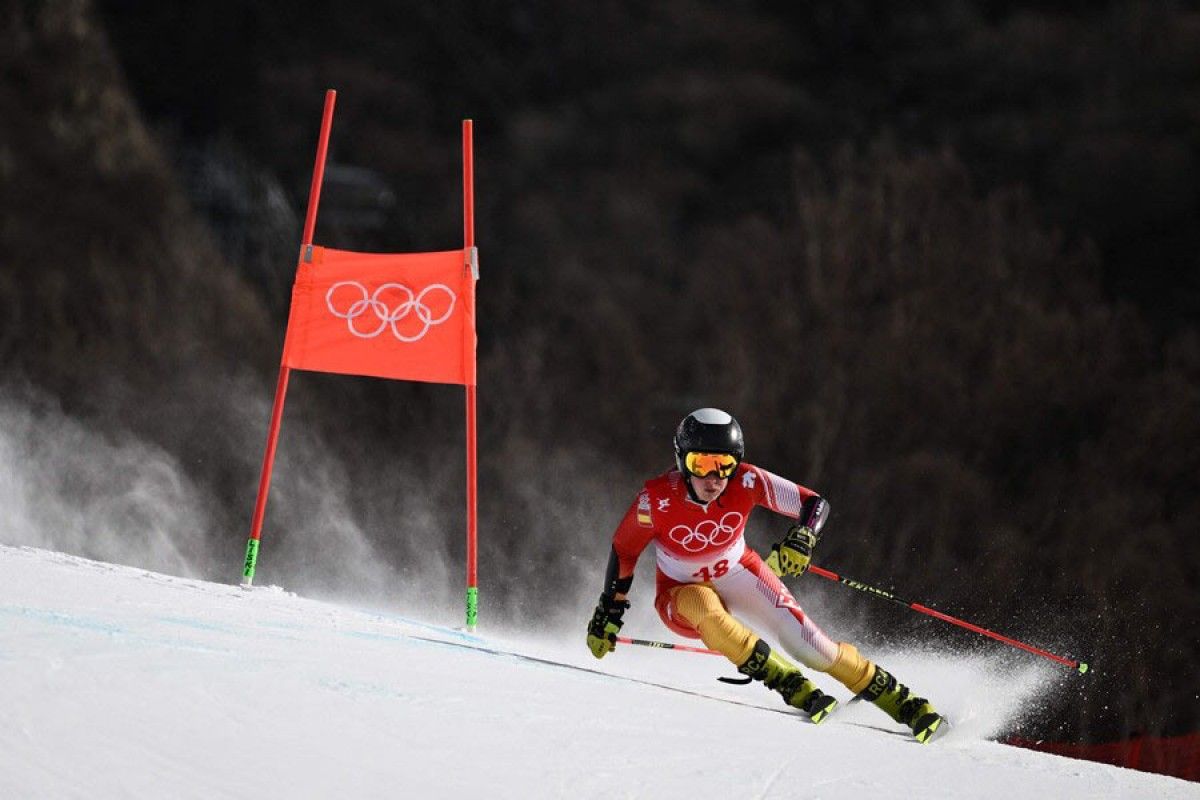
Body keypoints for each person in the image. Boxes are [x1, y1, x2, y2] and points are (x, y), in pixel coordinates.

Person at [586, 407, 943, 742]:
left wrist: (803, 538)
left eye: (723, 464)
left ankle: (904, 703)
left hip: (740, 570)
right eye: (701, 463)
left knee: (814, 649)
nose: (713, 477)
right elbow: (625, 550)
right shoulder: (656, 500)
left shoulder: (747, 481)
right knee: (705, 606)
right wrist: (610, 609)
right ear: (682, 461)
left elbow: (813, 504)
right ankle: (789, 684)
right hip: (680, 593)